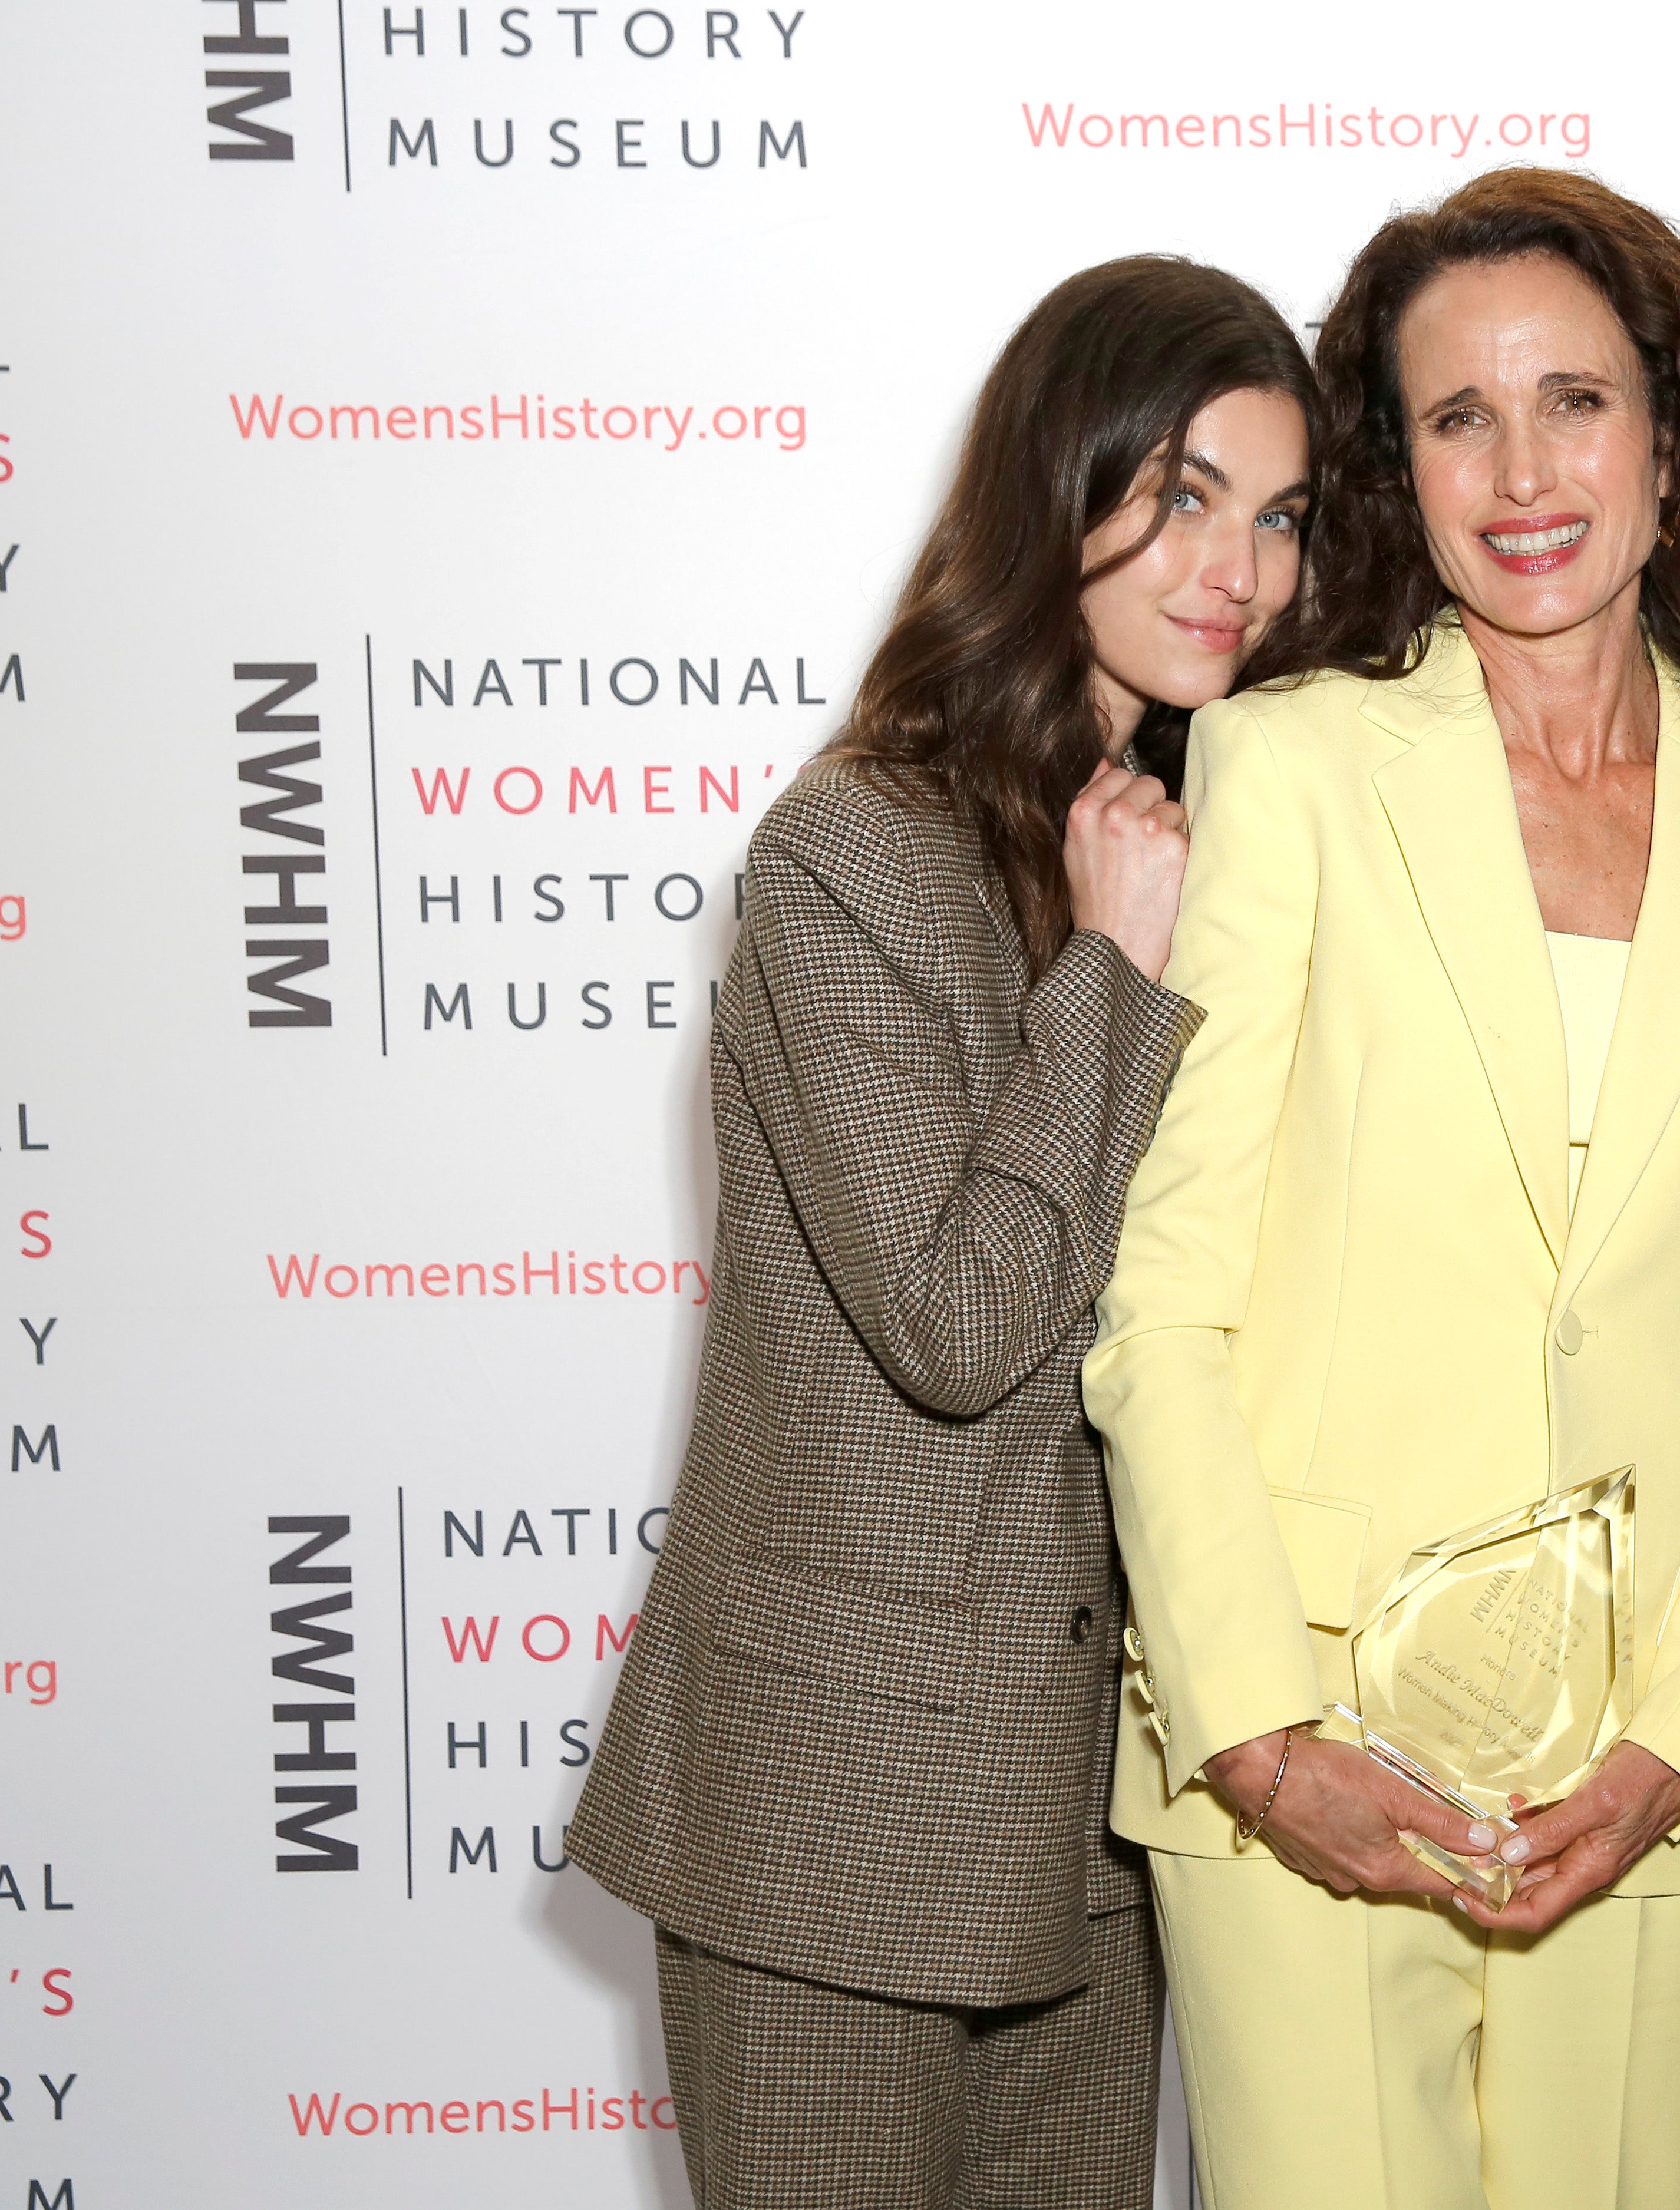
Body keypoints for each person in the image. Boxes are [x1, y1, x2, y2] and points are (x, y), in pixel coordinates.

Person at [1081, 169, 1680, 2210]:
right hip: (1311, 1750)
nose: (1522, 471)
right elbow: (1160, 1305)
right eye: (1458, 418)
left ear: (1666, 433)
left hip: (1632, 1778)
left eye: (1573, 403)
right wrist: (1258, 1736)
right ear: (1403, 465)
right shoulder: (1280, 770)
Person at [563, 255, 1313, 2210]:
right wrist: (1116, 975)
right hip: (835, 1817)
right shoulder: (850, 853)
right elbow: (958, 1321)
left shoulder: (1202, 834)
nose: (1234, 563)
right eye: (1180, 494)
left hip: (1099, 1814)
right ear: (1054, 490)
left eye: (1278, 512)